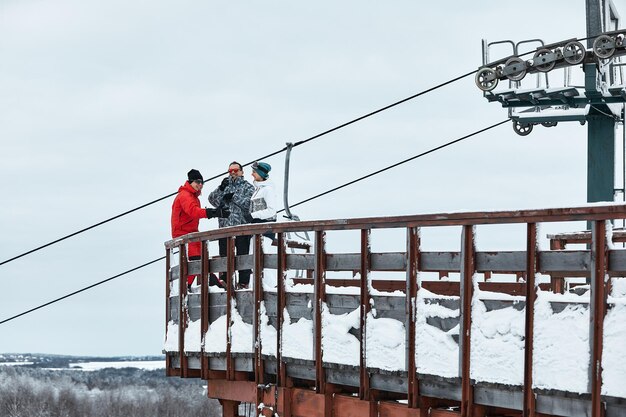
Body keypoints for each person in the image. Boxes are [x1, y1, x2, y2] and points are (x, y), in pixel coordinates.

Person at [171, 169, 229, 290]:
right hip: (184, 236)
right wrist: (213, 212)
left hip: (192, 235)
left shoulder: (193, 196)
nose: (200, 185)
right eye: (197, 182)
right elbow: (193, 212)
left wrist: (215, 212)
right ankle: (217, 285)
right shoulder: (185, 195)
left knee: (197, 263)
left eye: (202, 183)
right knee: (198, 263)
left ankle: (187, 287)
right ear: (190, 181)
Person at [208, 161, 255, 289]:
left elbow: (250, 204)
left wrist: (234, 197)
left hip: (242, 228)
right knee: (225, 256)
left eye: (236, 170)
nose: (233, 173)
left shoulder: (248, 187)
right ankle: (225, 282)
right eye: (230, 171)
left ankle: (243, 283)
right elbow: (212, 200)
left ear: (241, 172)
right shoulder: (225, 186)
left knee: (243, 256)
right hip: (225, 228)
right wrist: (221, 188)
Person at [245, 162, 277, 237]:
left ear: (261, 173)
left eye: (254, 172)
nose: (252, 174)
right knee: (253, 249)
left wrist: (252, 215)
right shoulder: (258, 190)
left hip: (266, 230)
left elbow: (271, 211)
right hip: (256, 229)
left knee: (261, 249)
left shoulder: (268, 190)